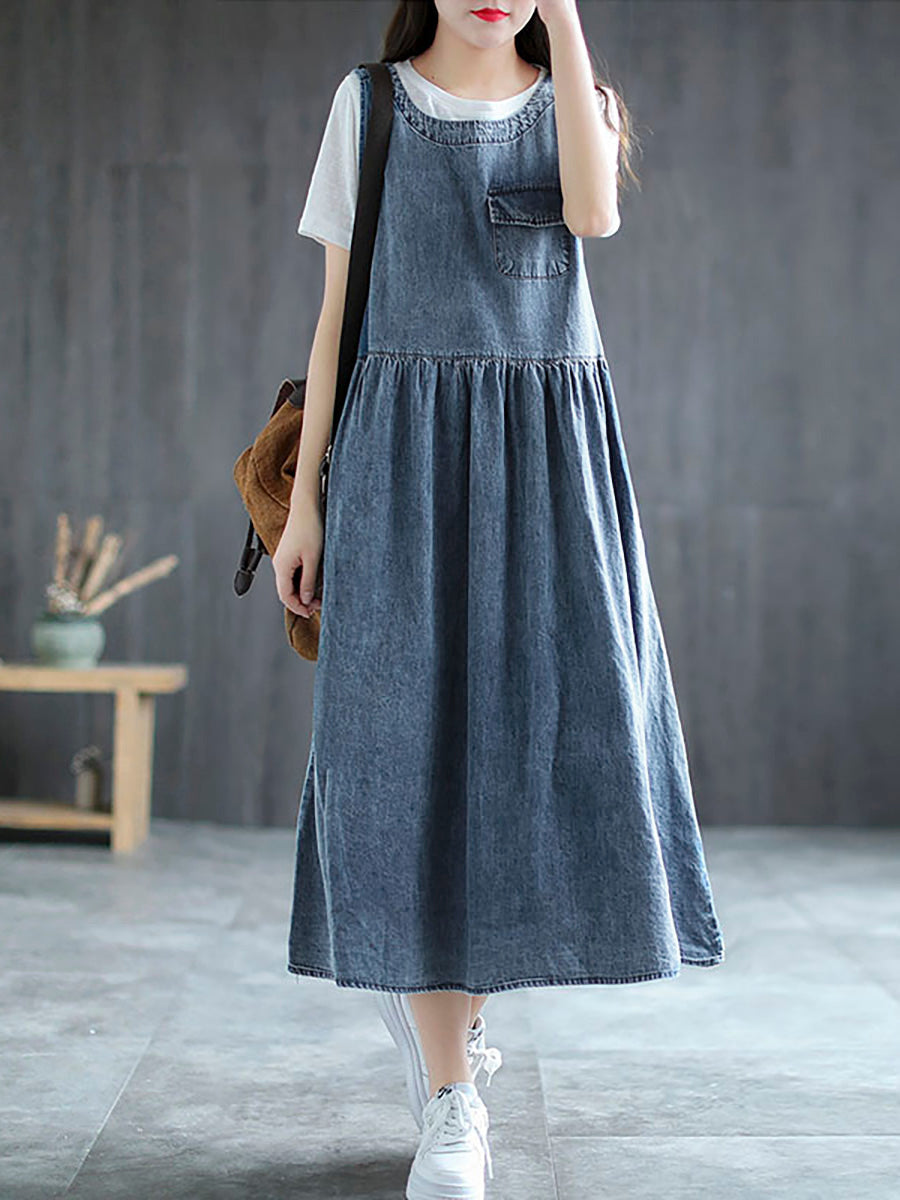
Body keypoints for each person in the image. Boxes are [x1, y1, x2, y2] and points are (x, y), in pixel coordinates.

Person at [274, 2, 725, 1197]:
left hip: (548, 471)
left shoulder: (579, 104)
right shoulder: (367, 107)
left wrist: (564, 35)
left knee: (533, 759)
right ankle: (450, 1099)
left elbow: (595, 214)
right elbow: (336, 320)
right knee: (403, 760)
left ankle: (452, 1039)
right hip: (400, 465)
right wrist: (307, 503)